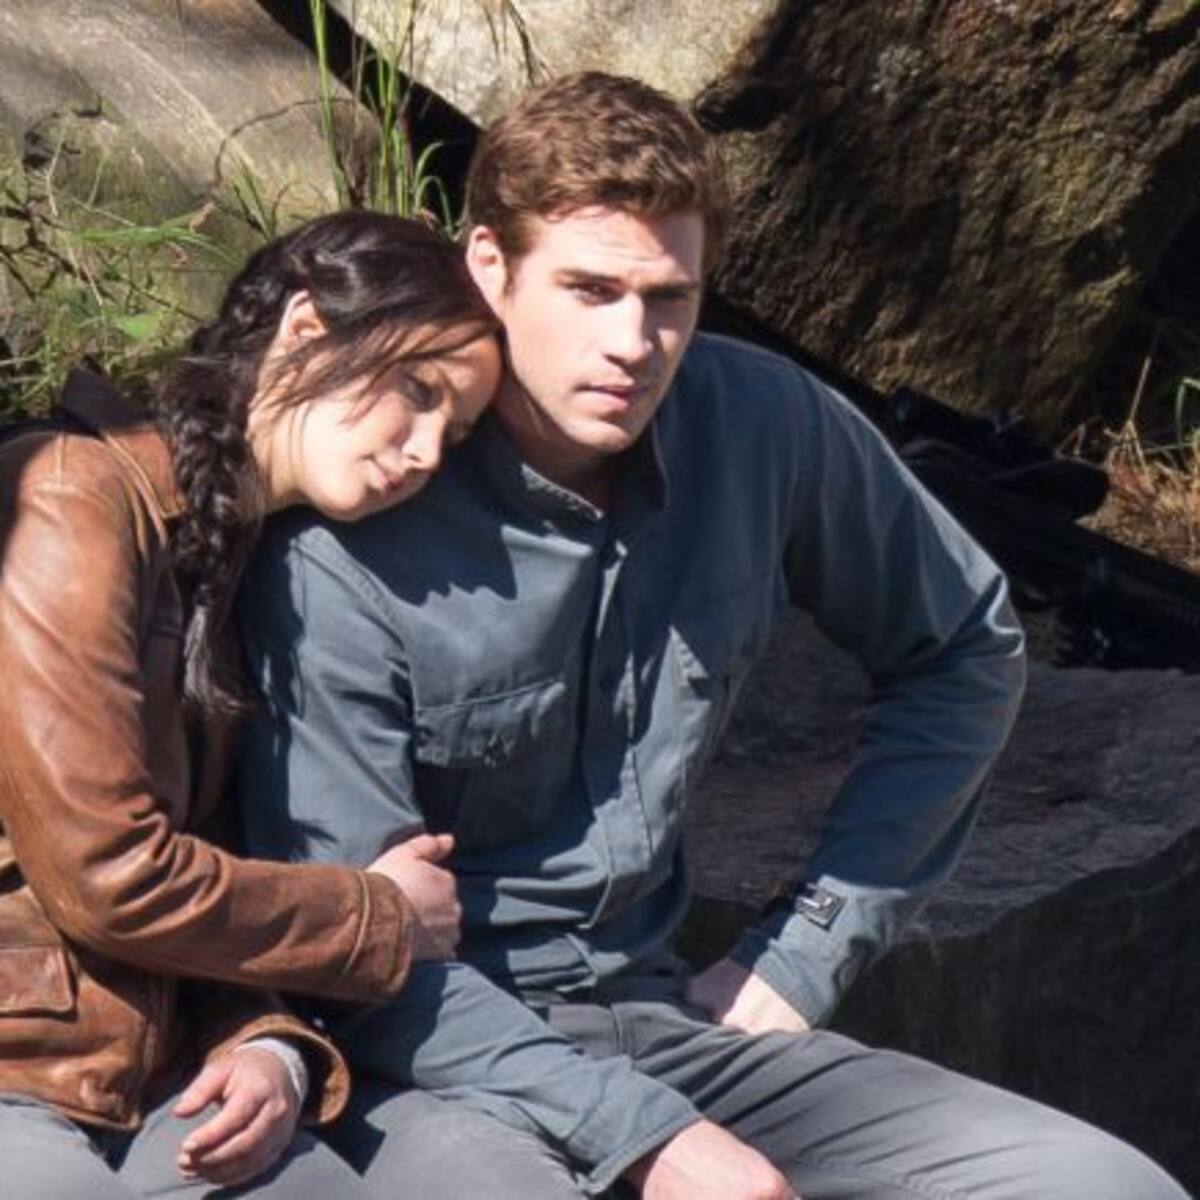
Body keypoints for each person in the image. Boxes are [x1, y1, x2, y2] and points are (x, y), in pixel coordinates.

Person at [236, 75, 1188, 1200]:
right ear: (489, 265)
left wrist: (808, 948)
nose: (633, 343)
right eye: (591, 290)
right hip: (433, 1055)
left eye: (669, 299)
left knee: (1100, 1184)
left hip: (663, 1020)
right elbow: (360, 961)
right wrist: (655, 1139)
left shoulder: (761, 423)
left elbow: (964, 646)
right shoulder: (354, 513)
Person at [0, 209, 499, 1199]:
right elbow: (109, 876)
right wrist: (379, 916)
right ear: (304, 330)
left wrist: (268, 1044)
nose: (428, 452)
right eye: (417, 391)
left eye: (455, 430)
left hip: (156, 1075)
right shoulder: (70, 498)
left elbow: (214, 859)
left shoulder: (230, 564)